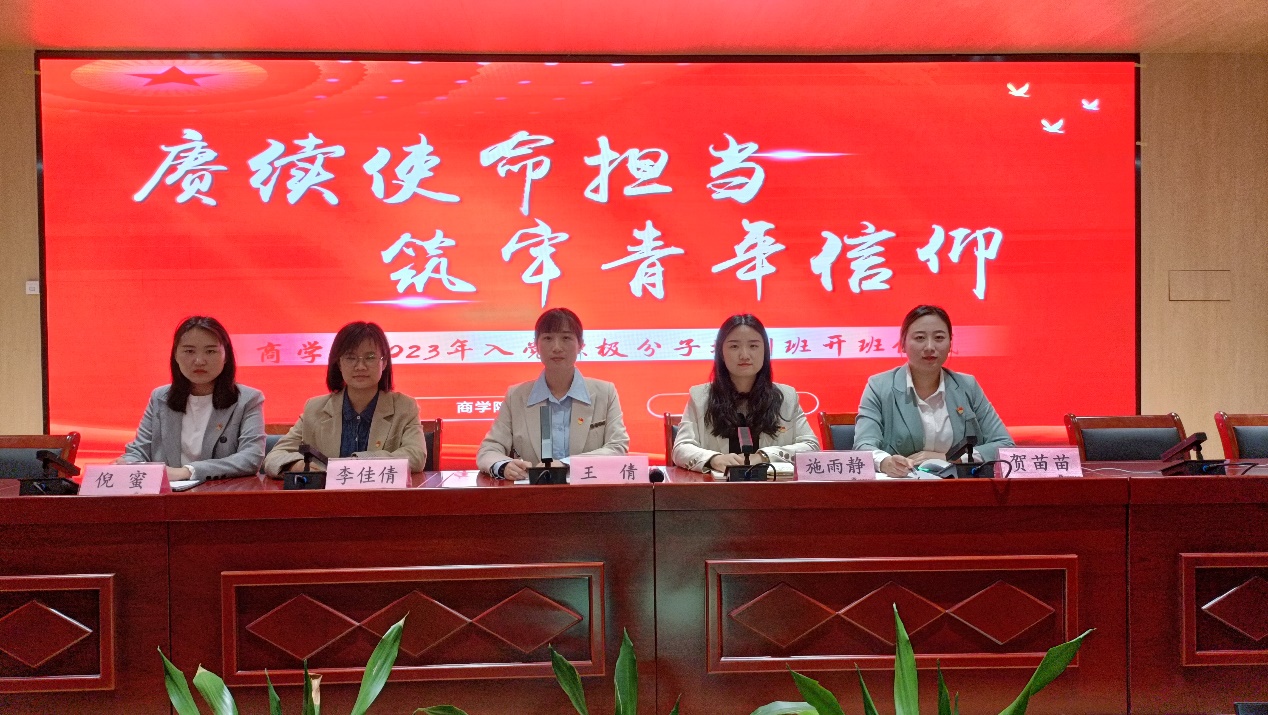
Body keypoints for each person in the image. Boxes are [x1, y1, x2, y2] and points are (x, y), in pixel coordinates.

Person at [853, 304, 1013, 477]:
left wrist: (951, 458)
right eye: (920, 338)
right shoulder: (879, 386)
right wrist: (885, 462)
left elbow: (1004, 445)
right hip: (901, 486)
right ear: (902, 344)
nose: (929, 346)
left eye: (939, 337)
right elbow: (863, 445)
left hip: (958, 487)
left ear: (950, 343)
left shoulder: (967, 386)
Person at [477, 308, 628, 479]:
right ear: (536, 345)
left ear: (580, 345)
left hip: (589, 491)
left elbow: (617, 447)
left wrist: (566, 464)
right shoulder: (516, 396)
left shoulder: (605, 393)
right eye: (548, 338)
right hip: (533, 493)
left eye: (566, 338)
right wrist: (504, 465)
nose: (556, 347)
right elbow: (489, 449)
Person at [264, 321, 426, 475]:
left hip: (381, 493)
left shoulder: (404, 407)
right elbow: (274, 456)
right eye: (350, 357)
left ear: (384, 363)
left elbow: (416, 455)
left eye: (370, 357)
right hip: (328, 495)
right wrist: (298, 466)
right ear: (339, 364)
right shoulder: (315, 408)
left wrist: (357, 463)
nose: (360, 366)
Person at [117, 316, 265, 480]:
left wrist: (188, 472)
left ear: (226, 356)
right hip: (167, 494)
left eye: (210, 351)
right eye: (189, 351)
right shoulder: (160, 397)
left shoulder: (248, 399)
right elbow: (139, 451)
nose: (199, 361)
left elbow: (251, 458)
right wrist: (127, 464)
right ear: (175, 355)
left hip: (222, 493)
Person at [672, 314, 819, 473]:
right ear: (721, 353)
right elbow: (680, 448)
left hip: (772, 486)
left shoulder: (787, 397)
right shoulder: (700, 397)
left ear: (765, 351)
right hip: (718, 486)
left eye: (753, 346)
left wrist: (764, 456)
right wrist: (714, 459)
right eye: (734, 346)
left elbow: (811, 446)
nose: (744, 355)